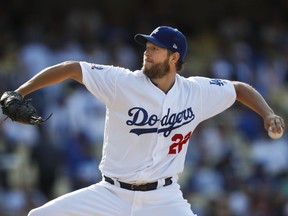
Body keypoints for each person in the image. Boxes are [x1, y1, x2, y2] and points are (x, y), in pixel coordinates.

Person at [5, 26, 285, 216]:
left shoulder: (195, 91)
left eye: (156, 49)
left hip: (163, 198)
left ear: (174, 57)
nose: (147, 52)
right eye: (147, 47)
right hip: (110, 194)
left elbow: (238, 88)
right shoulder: (121, 82)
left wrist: (267, 112)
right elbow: (71, 68)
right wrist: (20, 92)